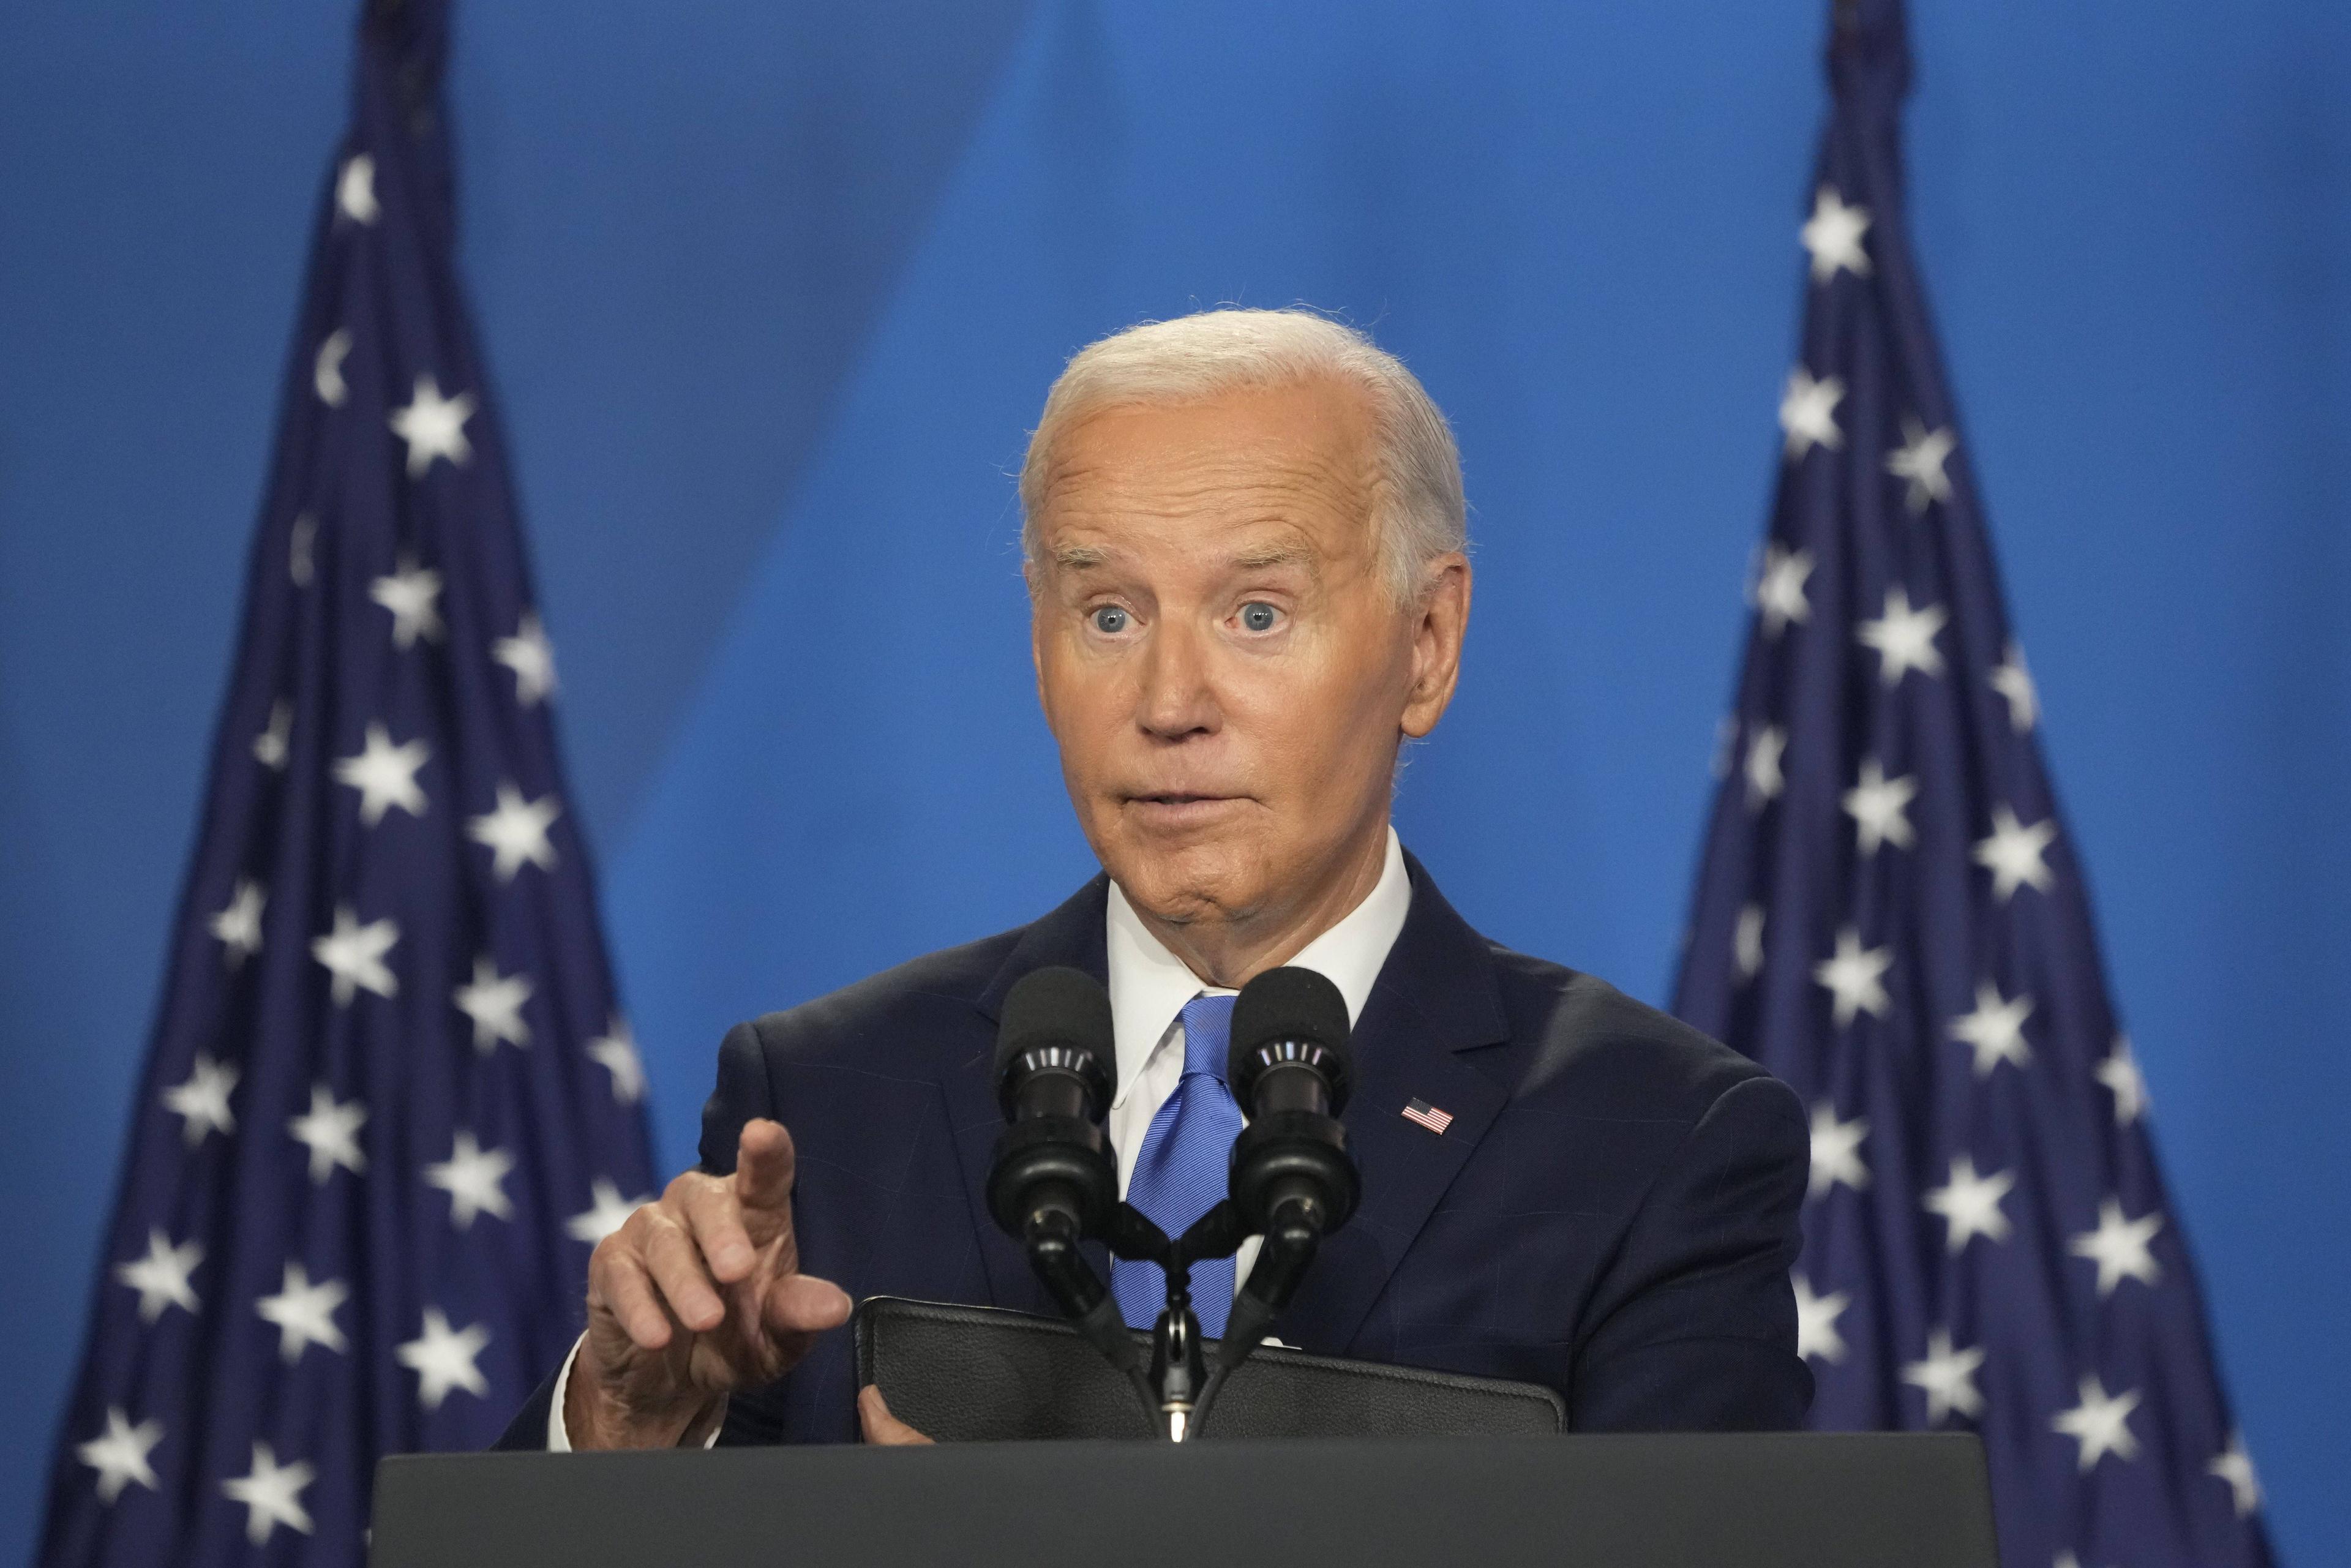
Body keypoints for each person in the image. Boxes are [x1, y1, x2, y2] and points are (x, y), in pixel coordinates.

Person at [495, 307, 1810, 1452]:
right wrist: (630, 1428)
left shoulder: (1655, 1144)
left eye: (1256, 614)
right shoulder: (828, 1106)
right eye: (1109, 615)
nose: (1170, 703)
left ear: (1427, 643)